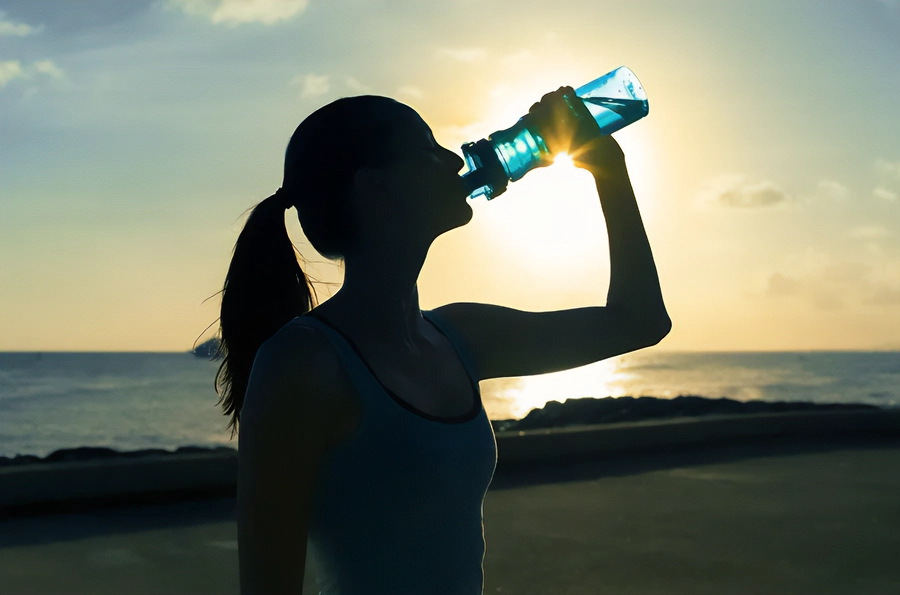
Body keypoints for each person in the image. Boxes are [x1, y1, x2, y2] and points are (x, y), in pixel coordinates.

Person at [218, 90, 670, 595]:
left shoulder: (461, 336)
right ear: (376, 185)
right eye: (428, 149)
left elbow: (639, 322)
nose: (454, 159)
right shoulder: (302, 362)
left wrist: (607, 168)